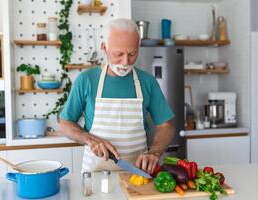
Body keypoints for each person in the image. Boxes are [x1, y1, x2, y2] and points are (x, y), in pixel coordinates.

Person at [59, 18, 175, 175]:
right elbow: (66, 123)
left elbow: (166, 126)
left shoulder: (147, 82)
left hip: (136, 176)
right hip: (95, 175)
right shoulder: (87, 80)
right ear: (104, 48)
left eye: (132, 54)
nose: (125, 62)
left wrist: (154, 152)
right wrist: (90, 139)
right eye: (118, 54)